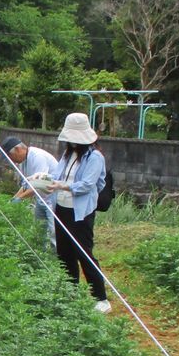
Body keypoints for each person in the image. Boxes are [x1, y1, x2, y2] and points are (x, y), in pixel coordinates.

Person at [46, 113, 110, 313]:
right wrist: (47, 181)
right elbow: (57, 175)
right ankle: (70, 291)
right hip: (62, 209)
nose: (71, 141)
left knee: (84, 253)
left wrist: (61, 186)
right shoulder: (67, 155)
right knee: (64, 253)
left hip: (81, 212)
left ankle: (101, 298)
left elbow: (87, 185)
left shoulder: (95, 157)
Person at [4, 136, 57, 246]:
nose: (11, 160)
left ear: (18, 150)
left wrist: (20, 198)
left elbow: (39, 185)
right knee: (39, 231)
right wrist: (13, 199)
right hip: (41, 198)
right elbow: (26, 185)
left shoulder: (37, 157)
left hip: (54, 198)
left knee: (54, 233)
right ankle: (42, 256)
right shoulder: (24, 161)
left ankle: (57, 260)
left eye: (10, 156)